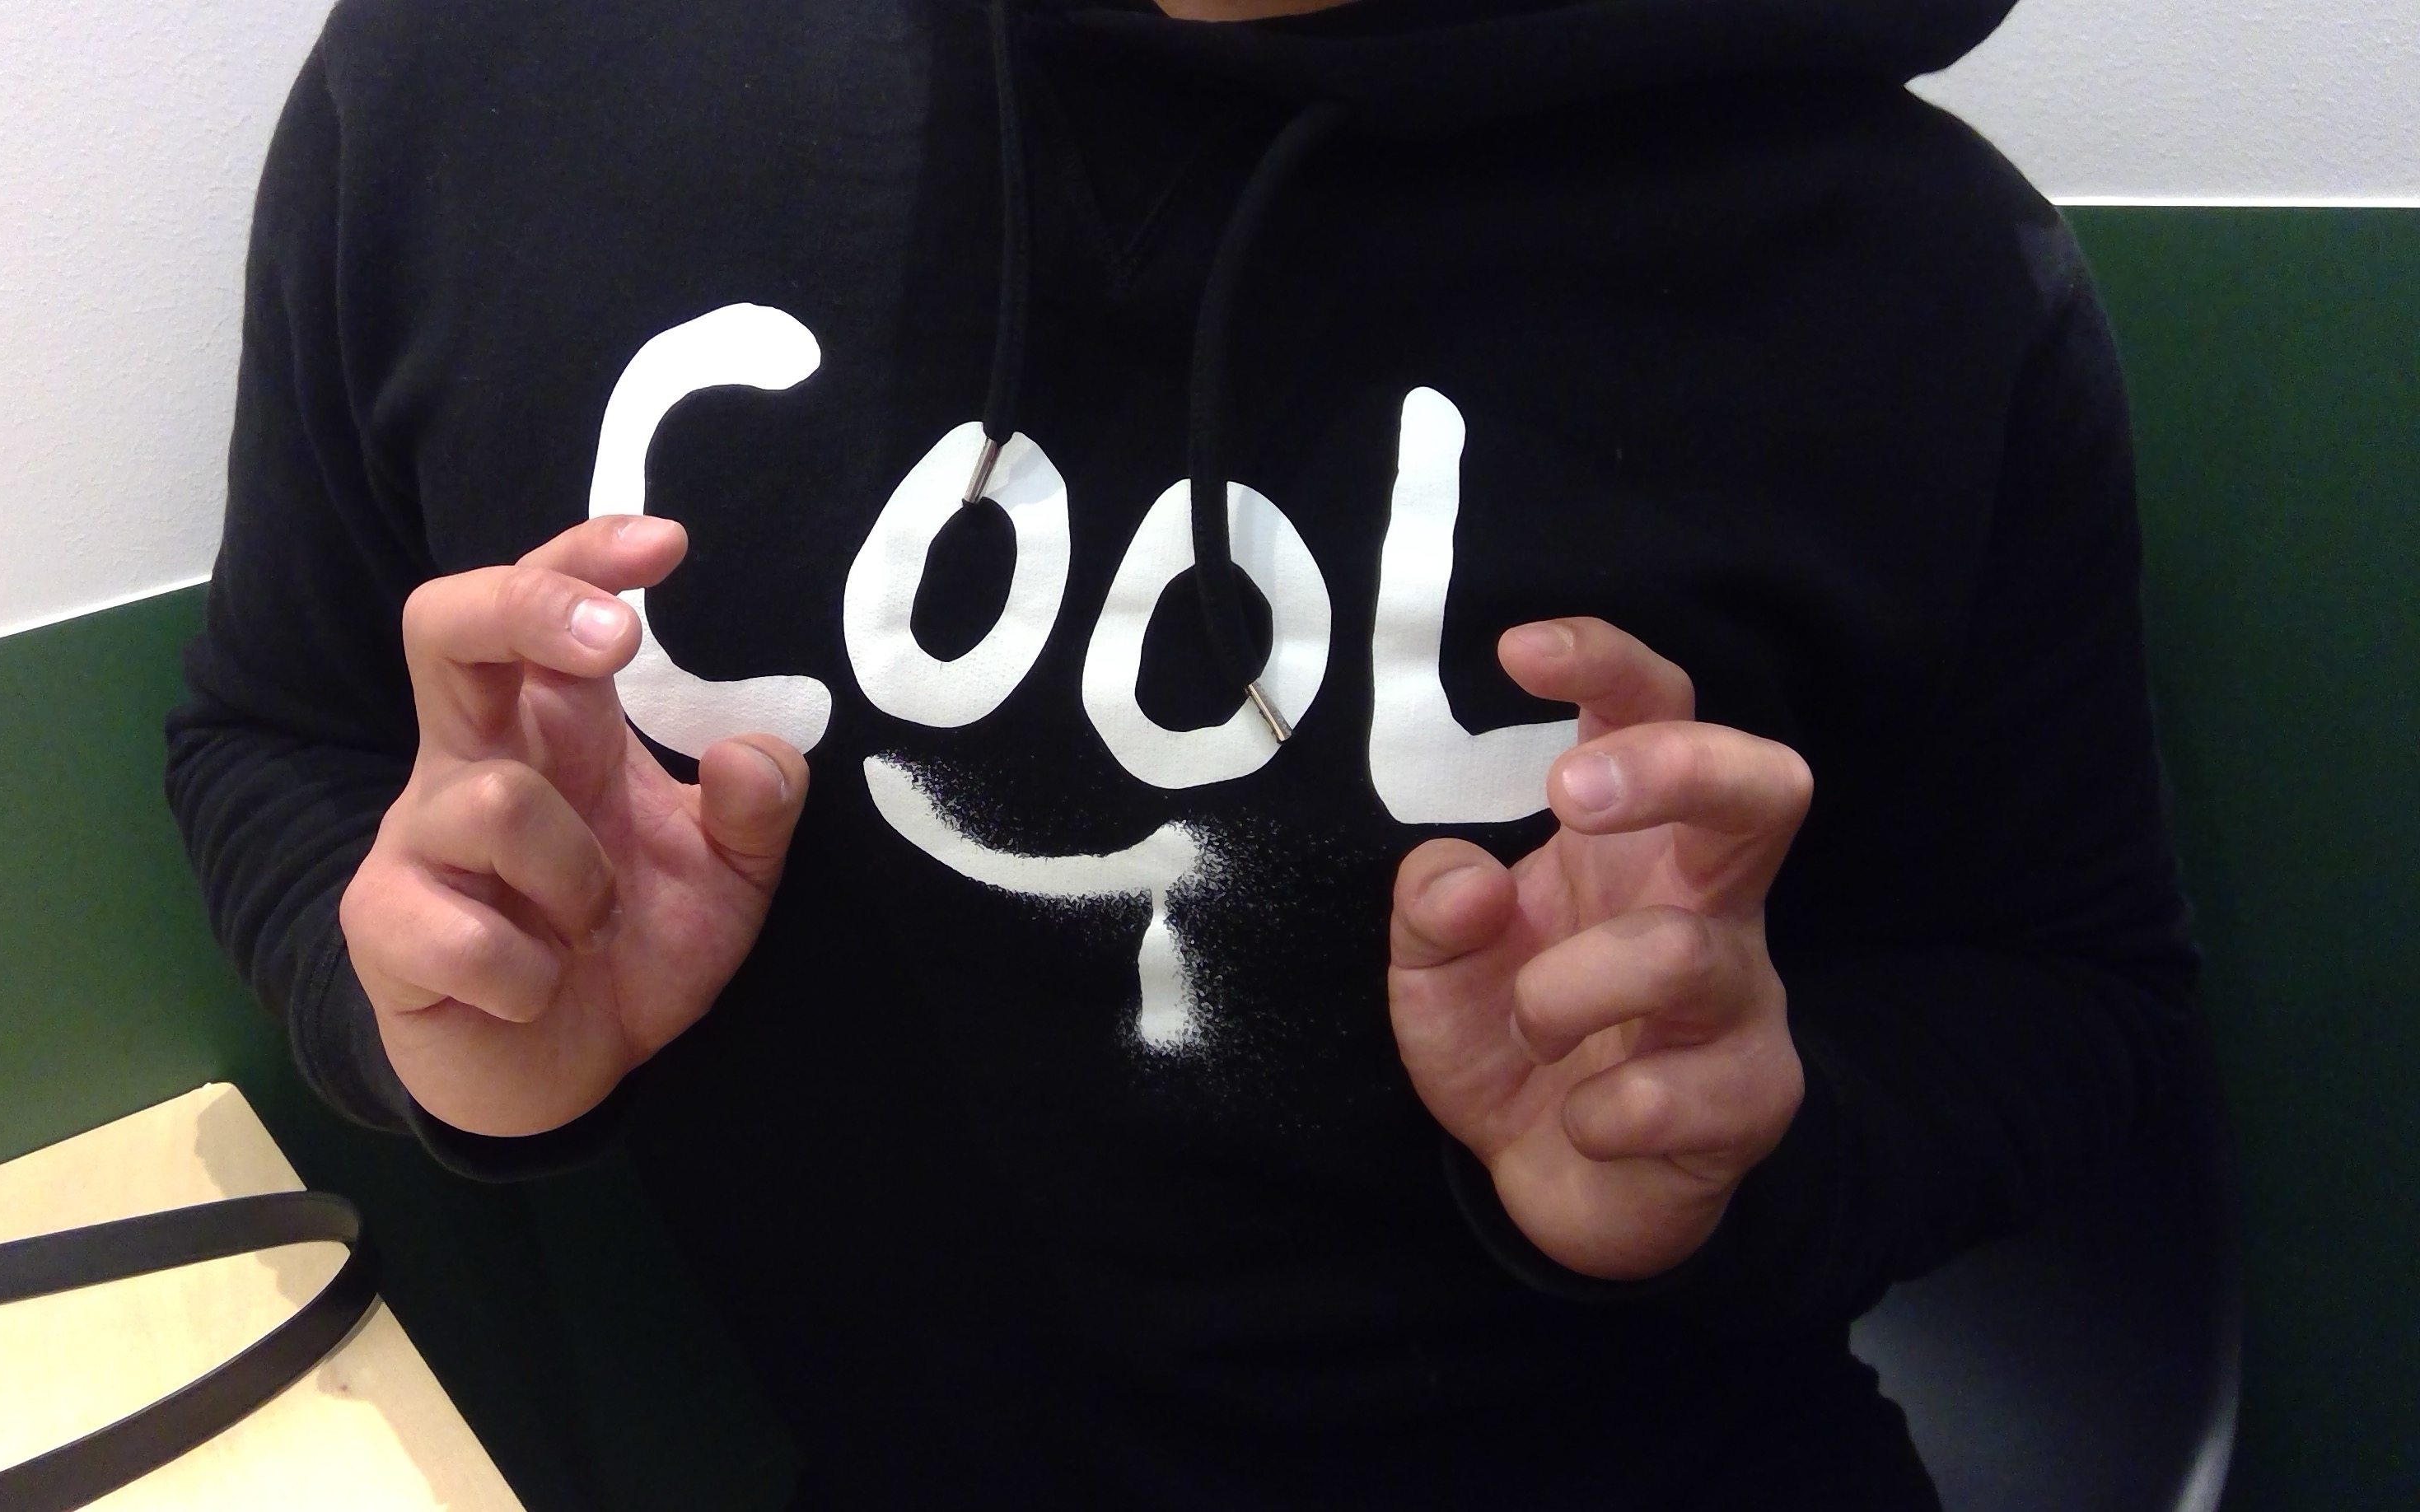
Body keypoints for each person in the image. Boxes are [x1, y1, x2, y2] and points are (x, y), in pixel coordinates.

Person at [167, 0, 2198, 1504]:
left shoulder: (1900, 262)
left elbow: (2071, 989)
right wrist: (447, 1012)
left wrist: (1721, 1150)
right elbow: (283, 730)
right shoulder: (484, 87)